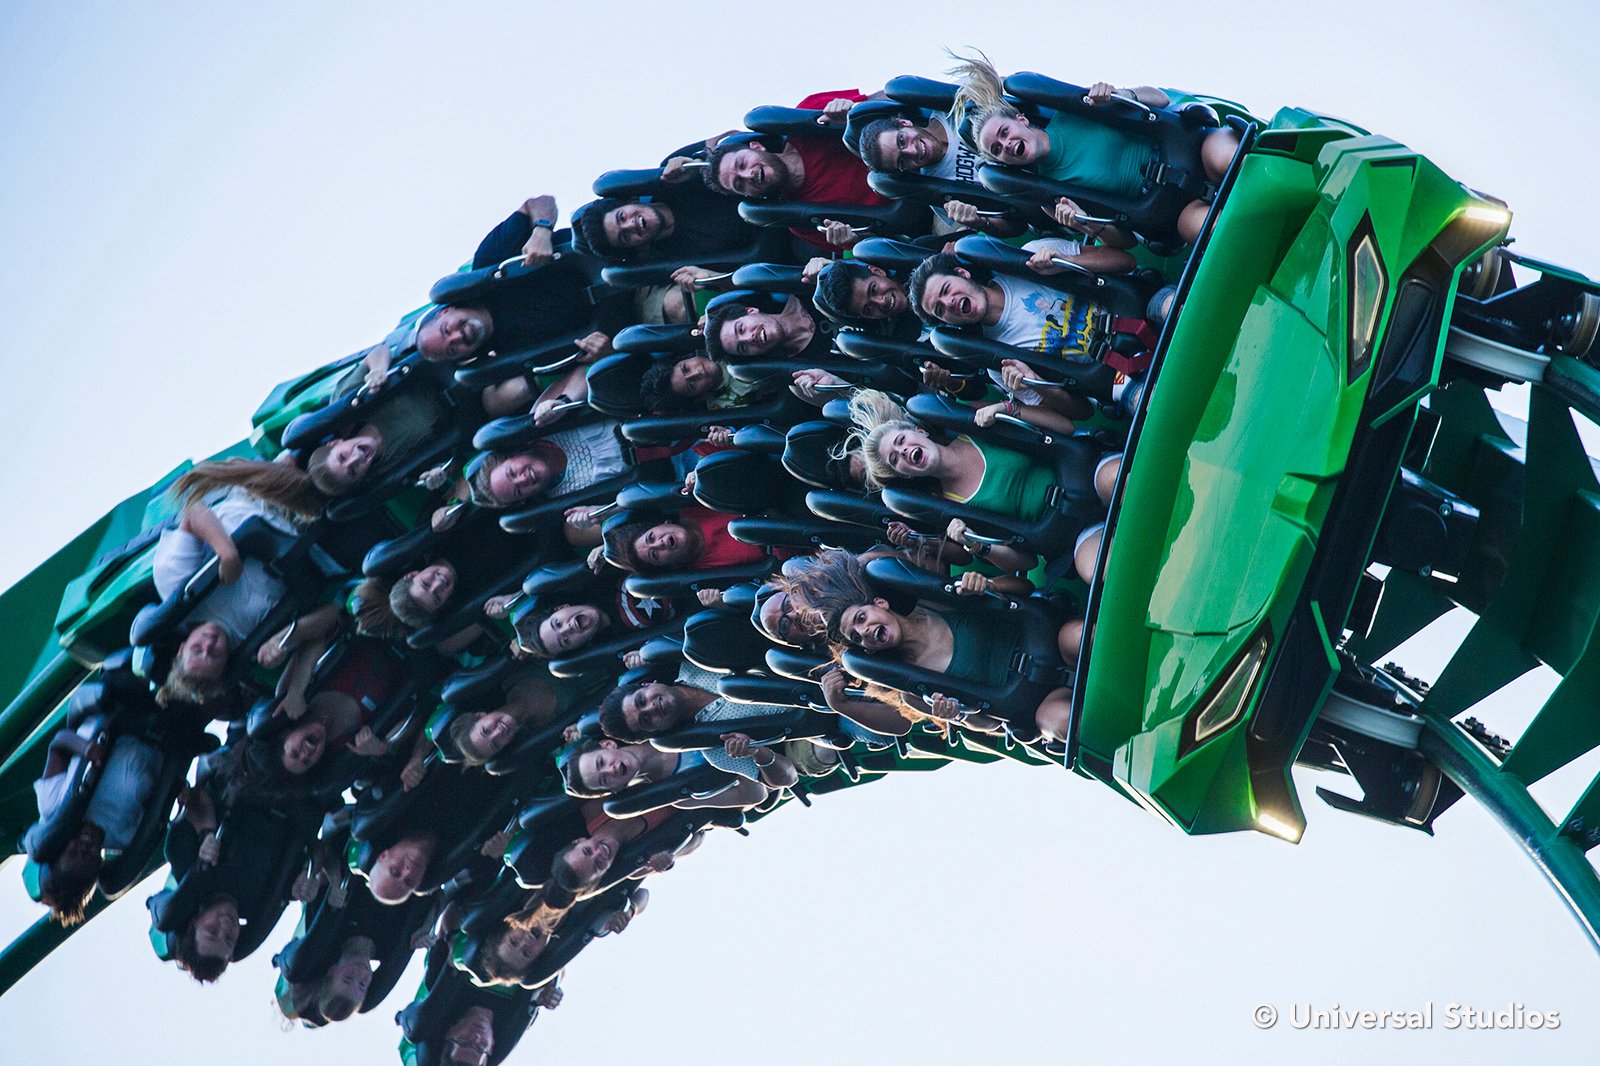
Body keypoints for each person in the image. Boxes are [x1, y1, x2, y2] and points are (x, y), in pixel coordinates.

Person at [788, 550, 1078, 741]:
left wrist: (988, 586)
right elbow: (990, 725)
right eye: (857, 636)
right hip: (1035, 699)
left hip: (1050, 643)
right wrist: (959, 716)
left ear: (881, 604)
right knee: (1060, 723)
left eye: (861, 618)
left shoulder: (935, 599)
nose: (864, 631)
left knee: (1079, 639)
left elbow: (1024, 590)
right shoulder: (915, 689)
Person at [949, 54, 1239, 244]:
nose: (1006, 144)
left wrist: (1121, 95)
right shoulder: (1050, 199)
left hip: (1193, 152)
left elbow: (1160, 100)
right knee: (1216, 228)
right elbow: (1124, 241)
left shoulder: (1074, 109)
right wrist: (1085, 224)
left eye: (1004, 132)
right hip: (1172, 208)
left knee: (1228, 160)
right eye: (997, 149)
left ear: (1021, 120)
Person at [842, 389, 1117, 583]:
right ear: (905, 475)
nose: (903, 452)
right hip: (1071, 532)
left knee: (1115, 481)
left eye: (901, 441)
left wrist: (1007, 409)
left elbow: (1064, 426)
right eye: (895, 460)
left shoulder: (972, 424)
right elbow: (1026, 562)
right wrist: (972, 544)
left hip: (1088, 477)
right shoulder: (947, 509)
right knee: (1097, 569)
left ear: (919, 432)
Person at [703, 89, 890, 250]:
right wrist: (854, 239)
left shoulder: (806, 113)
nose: (748, 175)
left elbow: (889, 96)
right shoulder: (799, 220)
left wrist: (854, 113)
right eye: (739, 183)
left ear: (757, 146)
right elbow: (884, 242)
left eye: (742, 164)